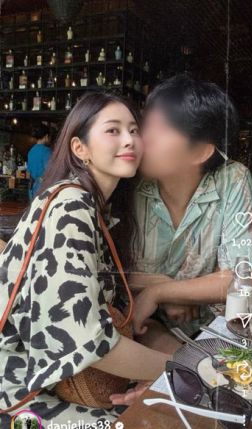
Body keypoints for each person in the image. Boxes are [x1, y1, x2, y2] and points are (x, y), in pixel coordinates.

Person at [0, 92, 176, 427]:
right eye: (113, 130)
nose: (129, 139)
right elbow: (86, 340)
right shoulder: (71, 204)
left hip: (51, 380)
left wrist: (163, 287)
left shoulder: (93, 207)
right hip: (19, 390)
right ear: (80, 148)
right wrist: (180, 372)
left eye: (134, 130)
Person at [128, 75, 252, 347]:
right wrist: (169, 287)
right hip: (142, 329)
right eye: (146, 124)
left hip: (216, 333)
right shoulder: (128, 182)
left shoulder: (231, 179)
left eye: (163, 128)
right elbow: (110, 274)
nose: (143, 138)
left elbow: (247, 277)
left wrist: (159, 291)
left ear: (200, 152)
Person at [27, 123, 52, 199]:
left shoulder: (31, 151)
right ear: (46, 136)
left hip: (33, 188)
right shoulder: (47, 151)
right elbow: (50, 171)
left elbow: (29, 171)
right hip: (44, 188)